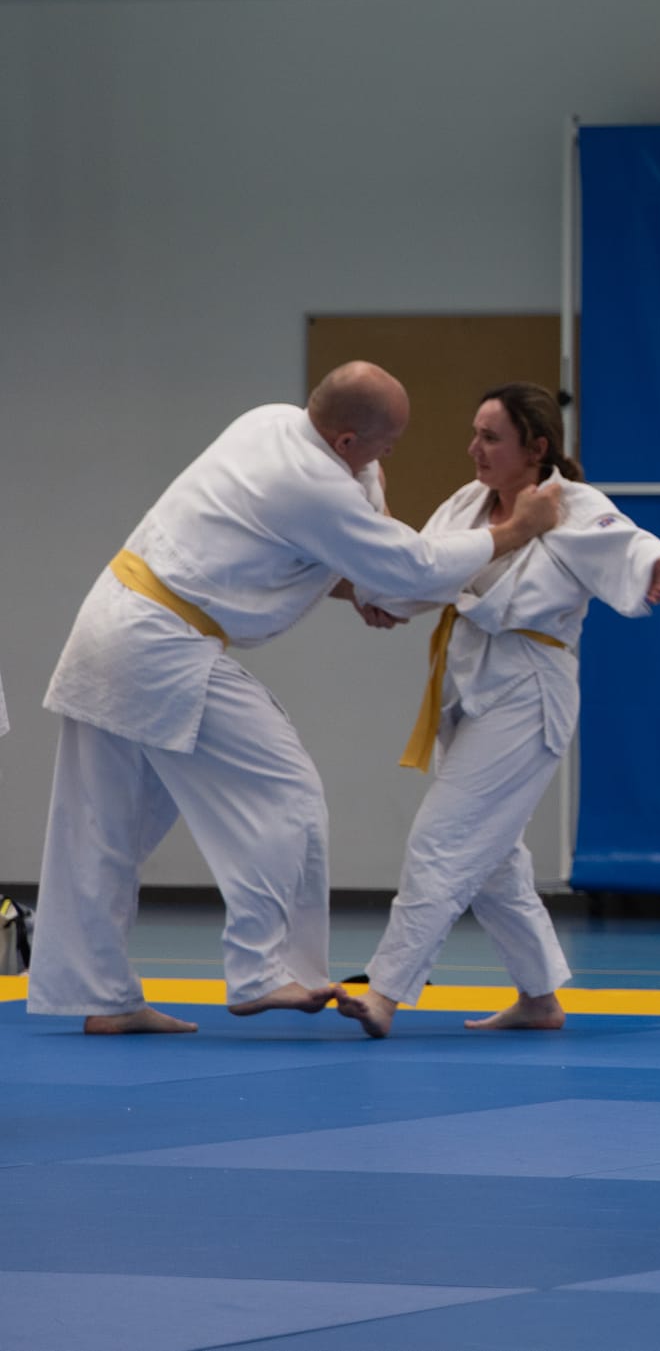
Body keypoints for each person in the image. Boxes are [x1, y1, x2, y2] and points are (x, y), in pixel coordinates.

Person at [29, 362, 563, 1034]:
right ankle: (261, 969)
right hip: (160, 645)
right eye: (387, 441)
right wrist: (515, 531)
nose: (391, 453)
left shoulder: (271, 421)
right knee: (287, 791)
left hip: (109, 628)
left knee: (105, 826)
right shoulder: (310, 482)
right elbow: (410, 565)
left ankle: (103, 998)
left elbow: (308, 544)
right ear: (345, 439)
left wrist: (363, 583)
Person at [333, 382, 660, 1038]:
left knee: (443, 837)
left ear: (536, 448)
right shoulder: (467, 504)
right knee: (492, 857)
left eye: (491, 437)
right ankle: (539, 996)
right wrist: (375, 595)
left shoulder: (568, 503)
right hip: (469, 678)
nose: (475, 448)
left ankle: (385, 990)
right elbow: (426, 567)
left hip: (528, 688)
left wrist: (655, 565)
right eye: (475, 433)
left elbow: (625, 542)